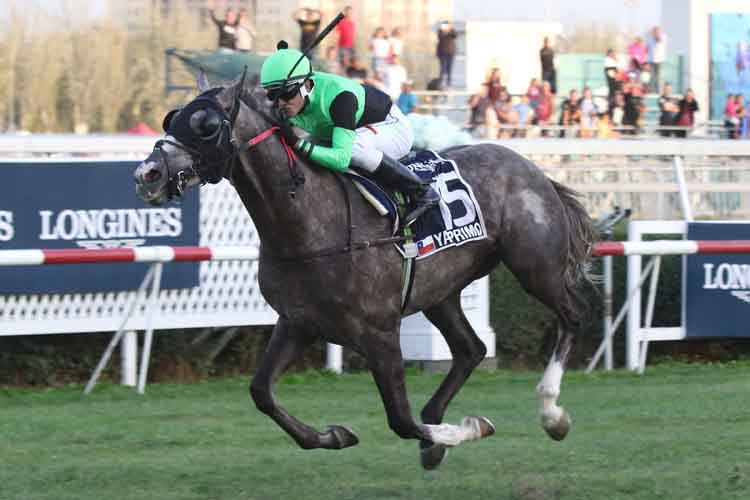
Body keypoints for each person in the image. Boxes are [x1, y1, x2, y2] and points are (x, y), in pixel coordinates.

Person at [259, 43, 439, 227]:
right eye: (273, 95)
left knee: (350, 148)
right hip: (349, 130)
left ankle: (422, 192)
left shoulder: (340, 98)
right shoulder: (289, 102)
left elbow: (341, 158)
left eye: (286, 94)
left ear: (306, 85)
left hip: (392, 128)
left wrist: (299, 143)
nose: (280, 103)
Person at [436, 21, 457, 88]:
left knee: (449, 69)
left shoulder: (452, 31)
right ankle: (441, 83)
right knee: (443, 69)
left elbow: (455, 35)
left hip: (450, 53)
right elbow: (440, 37)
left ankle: (449, 84)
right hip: (442, 53)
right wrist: (444, 31)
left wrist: (450, 29)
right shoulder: (440, 31)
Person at [647, 26, 667, 93]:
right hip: (652, 61)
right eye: (654, 32)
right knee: (652, 77)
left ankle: (659, 91)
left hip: (660, 60)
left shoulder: (663, 36)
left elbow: (659, 39)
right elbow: (648, 49)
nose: (655, 33)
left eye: (657, 31)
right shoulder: (650, 39)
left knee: (659, 77)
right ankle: (652, 91)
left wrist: (656, 34)